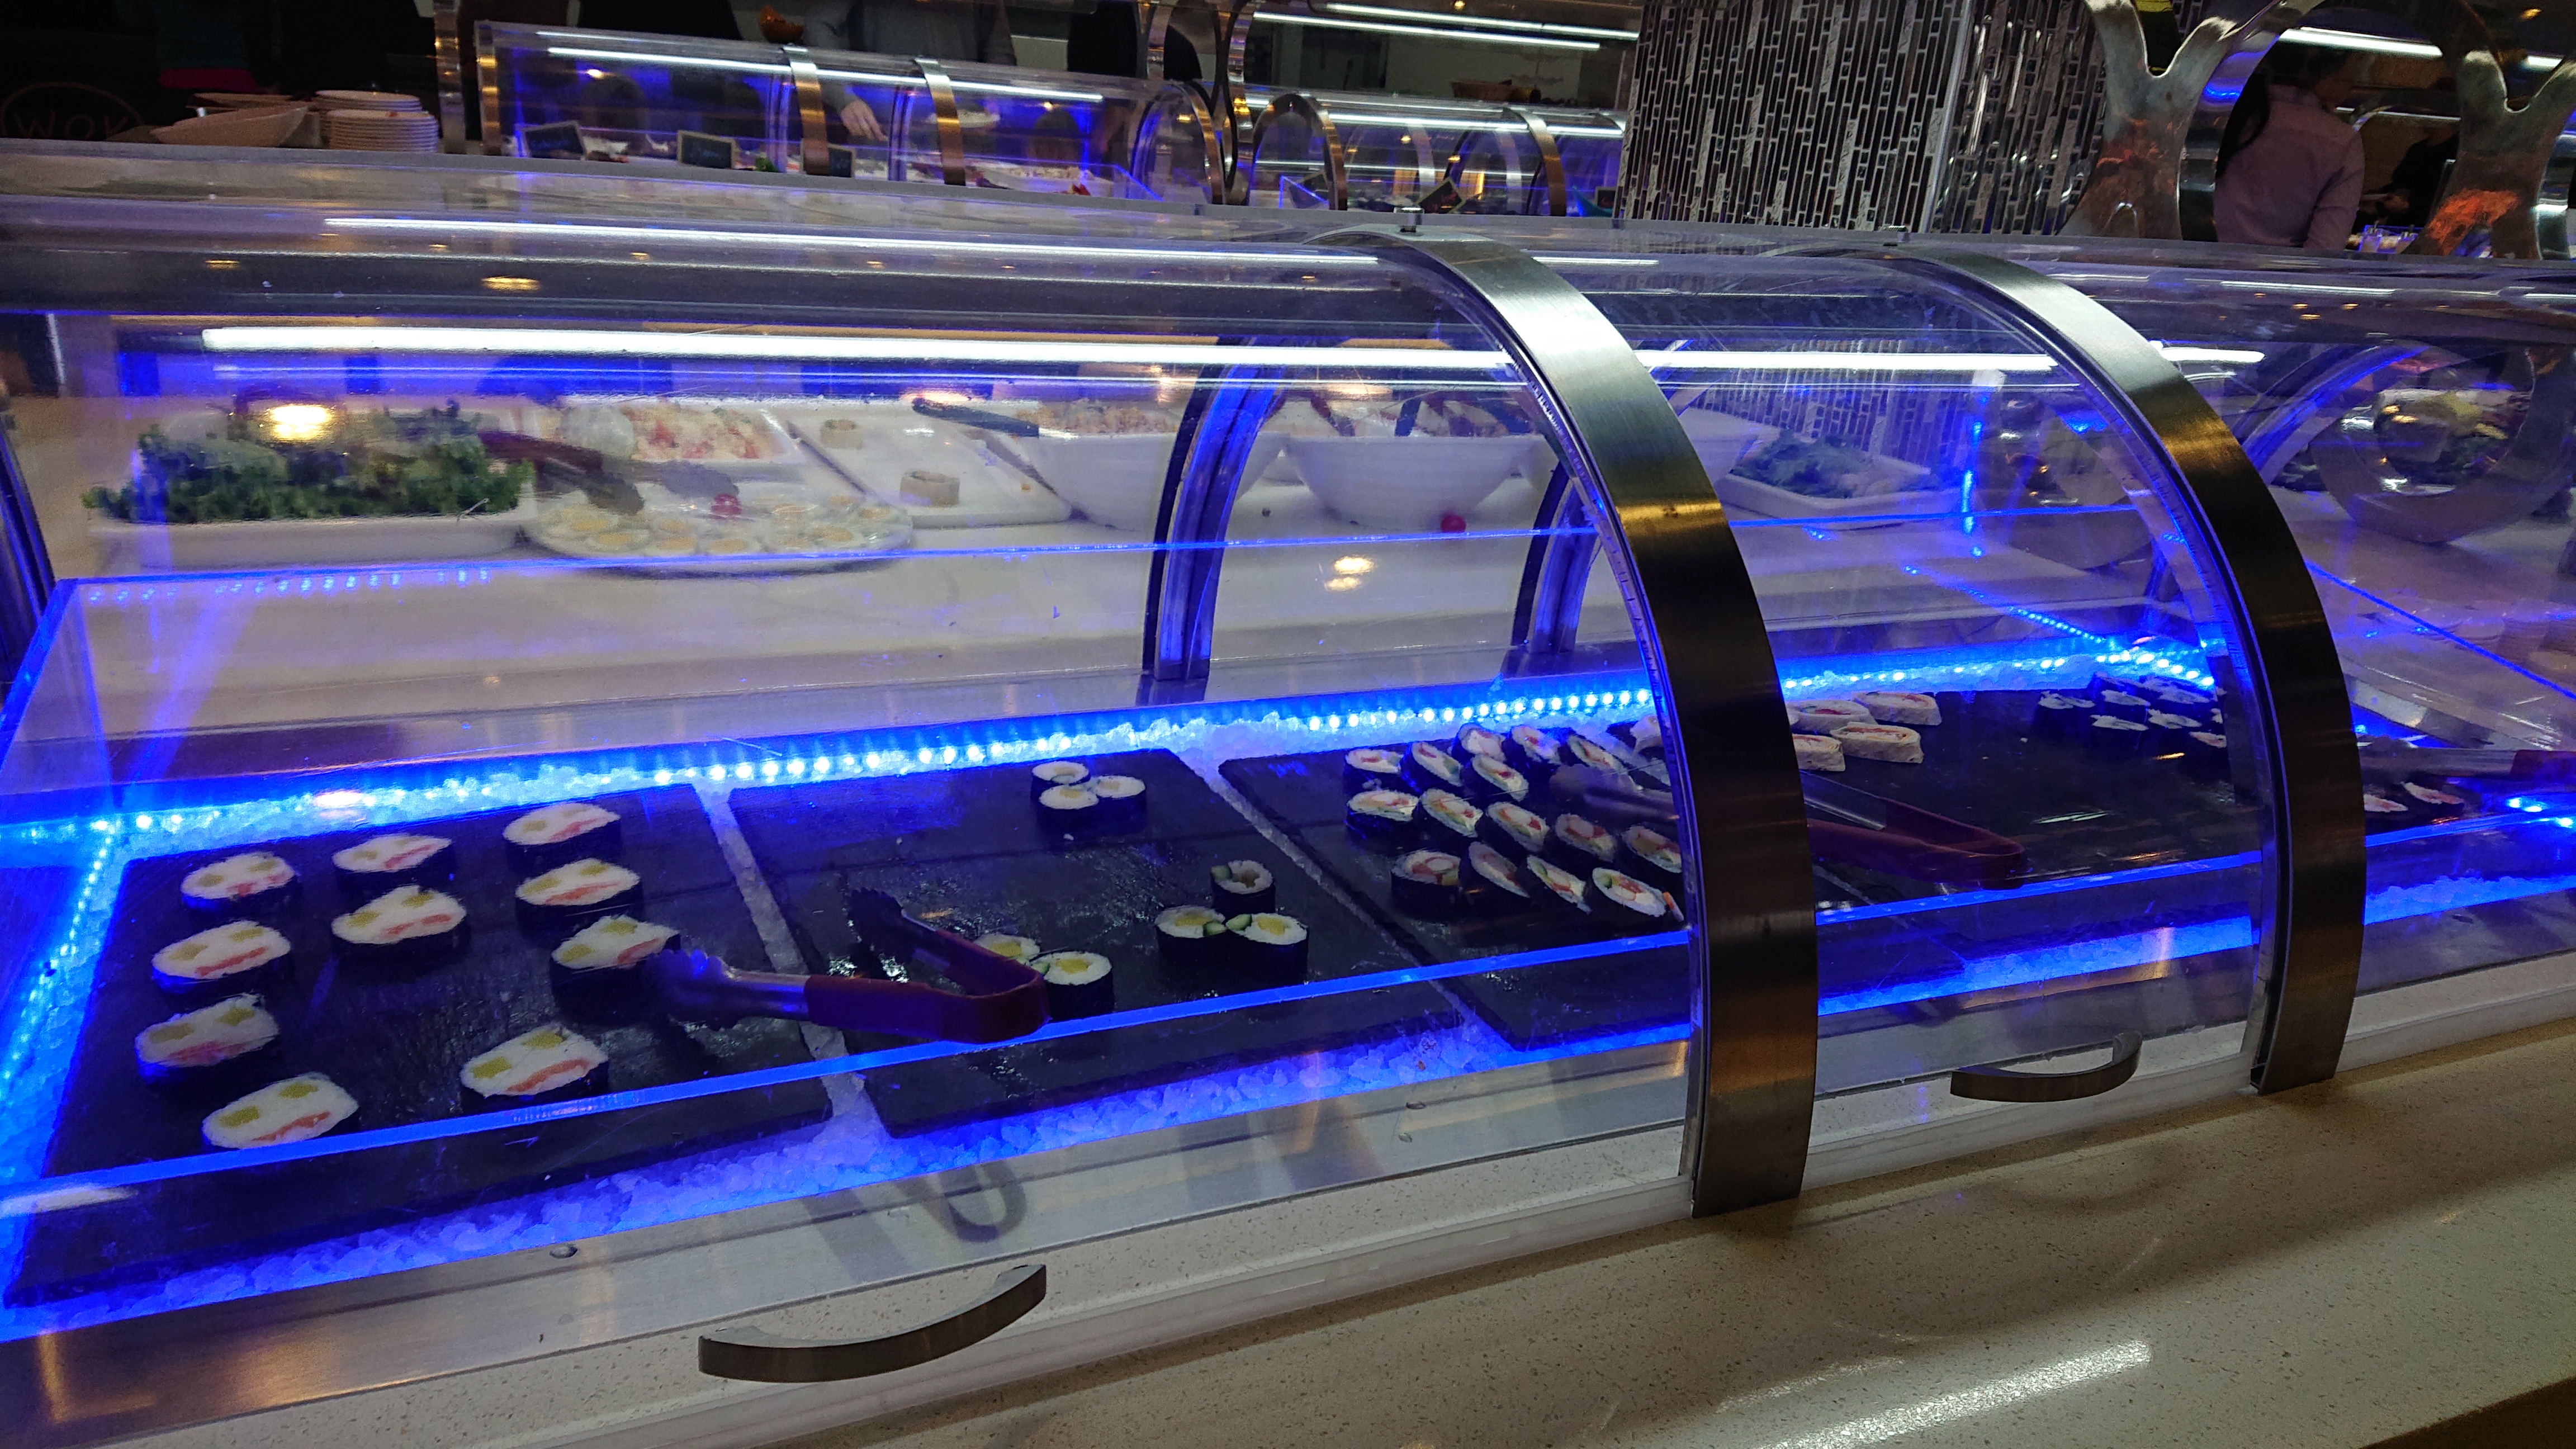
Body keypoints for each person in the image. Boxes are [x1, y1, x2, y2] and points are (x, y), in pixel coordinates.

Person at [2213, 45, 2367, 249]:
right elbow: (2324, 250)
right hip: (2280, 268)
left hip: (2200, 261)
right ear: (2328, 72)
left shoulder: (2225, 117)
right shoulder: (2341, 140)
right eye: (2357, 70)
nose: (2354, 84)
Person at [812, 1, 1017, 142]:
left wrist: (996, 100)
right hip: (882, 131)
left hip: (966, 133)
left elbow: (998, 50)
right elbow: (820, 26)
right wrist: (843, 97)